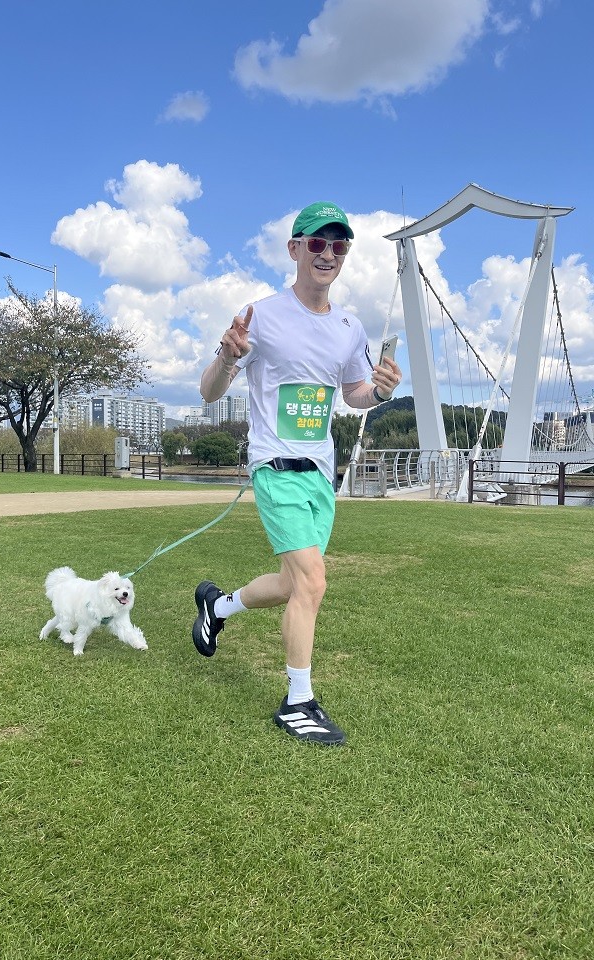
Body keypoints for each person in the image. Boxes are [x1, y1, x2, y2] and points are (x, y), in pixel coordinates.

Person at [191, 201, 402, 746]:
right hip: (274, 467)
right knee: (312, 581)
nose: (328, 253)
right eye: (317, 243)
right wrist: (227, 357)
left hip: (319, 475)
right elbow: (209, 391)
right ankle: (298, 702)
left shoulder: (350, 327)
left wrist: (379, 391)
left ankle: (218, 606)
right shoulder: (260, 315)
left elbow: (353, 394)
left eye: (339, 245)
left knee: (292, 583)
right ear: (295, 249)